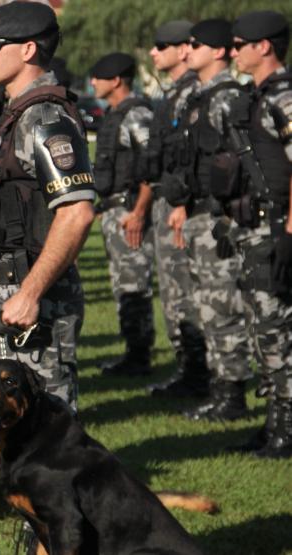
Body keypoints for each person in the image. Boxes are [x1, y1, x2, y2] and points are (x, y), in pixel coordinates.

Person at [0, 1, 95, 410]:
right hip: (7, 287)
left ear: (29, 50)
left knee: (48, 421)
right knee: (12, 424)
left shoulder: (46, 118)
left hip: (36, 296)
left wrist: (30, 293)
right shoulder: (14, 115)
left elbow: (76, 212)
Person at [162, 19, 254, 422]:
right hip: (198, 212)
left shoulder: (228, 98)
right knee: (206, 305)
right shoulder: (199, 97)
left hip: (222, 217)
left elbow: (244, 163)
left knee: (223, 305)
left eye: (195, 45)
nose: (187, 51)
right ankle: (219, 389)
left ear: (218, 51)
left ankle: (233, 395)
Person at [225, 10, 292, 458]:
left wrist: (289, 230)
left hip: (276, 226)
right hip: (254, 228)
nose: (234, 52)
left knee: (278, 329)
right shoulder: (257, 96)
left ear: (263, 45)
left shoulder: (285, 96)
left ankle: (287, 428)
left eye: (240, 43)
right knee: (261, 328)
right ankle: (273, 424)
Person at [144, 20, 210, 398]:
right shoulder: (174, 93)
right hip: (166, 199)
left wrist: (184, 203)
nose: (154, 52)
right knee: (172, 293)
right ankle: (190, 370)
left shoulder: (193, 94)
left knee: (186, 292)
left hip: (181, 204)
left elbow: (193, 157)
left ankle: (200, 375)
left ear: (183, 48)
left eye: (161, 45)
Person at [89, 53, 156, 378]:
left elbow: (150, 165)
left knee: (134, 284)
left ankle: (140, 357)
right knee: (122, 285)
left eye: (97, 77)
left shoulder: (136, 113)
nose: (93, 83)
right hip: (115, 210)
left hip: (131, 212)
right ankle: (133, 353)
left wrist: (139, 212)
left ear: (115, 80)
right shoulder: (115, 114)